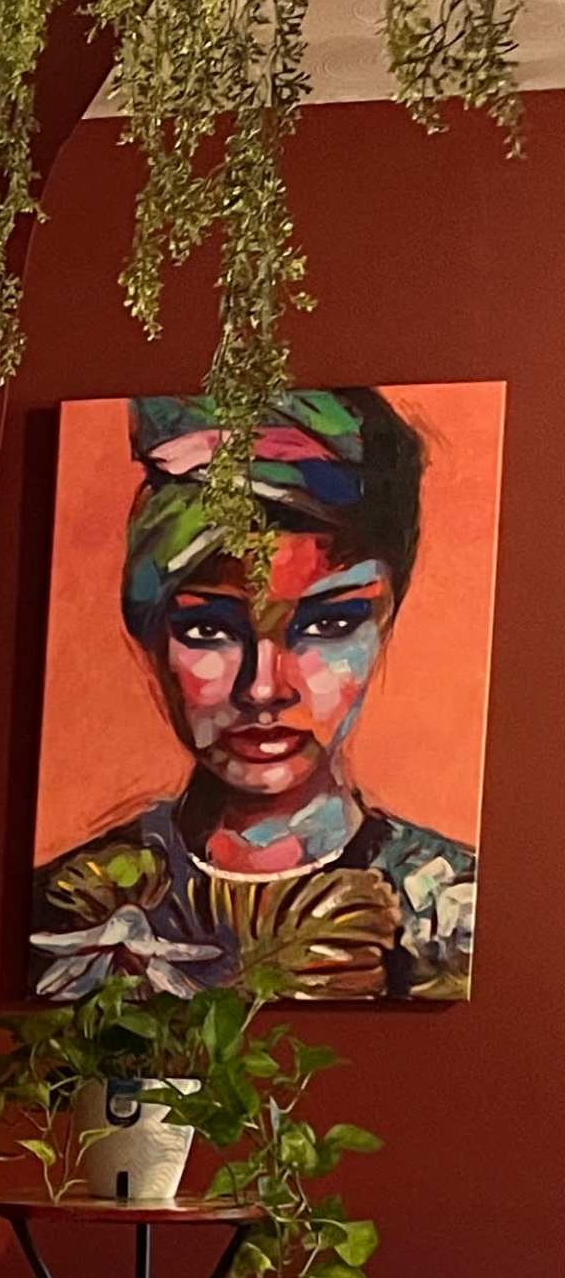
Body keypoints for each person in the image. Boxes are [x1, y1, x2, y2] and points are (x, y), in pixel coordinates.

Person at [33, 387, 474, 1003]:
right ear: (151, 635)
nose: (264, 687)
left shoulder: (456, 910)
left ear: (385, 623)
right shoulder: (66, 905)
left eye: (328, 624)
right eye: (208, 629)